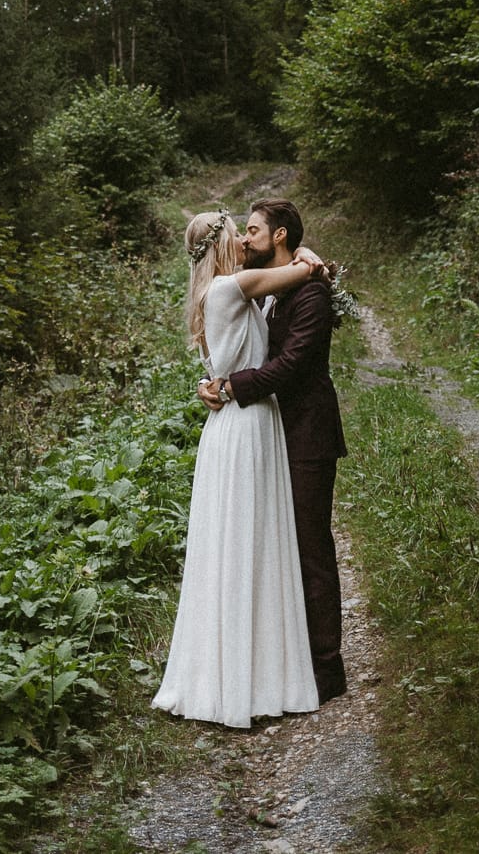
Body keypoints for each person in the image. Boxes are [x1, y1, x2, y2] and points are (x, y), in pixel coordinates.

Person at [151, 208, 324, 728]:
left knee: (242, 544)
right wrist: (308, 255)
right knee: (249, 542)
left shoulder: (221, 291)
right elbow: (304, 270)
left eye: (250, 233)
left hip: (237, 424)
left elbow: (229, 355)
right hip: (246, 424)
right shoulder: (233, 287)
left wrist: (214, 385)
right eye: (239, 234)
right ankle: (245, 678)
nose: (246, 242)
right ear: (223, 244)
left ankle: (247, 670)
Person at [199, 198, 347, 704]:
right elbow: (236, 347)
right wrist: (212, 382)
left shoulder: (311, 295)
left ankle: (326, 670)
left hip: (307, 435)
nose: (245, 239)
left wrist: (231, 388)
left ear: (279, 235)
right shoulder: (266, 291)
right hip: (266, 436)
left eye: (254, 230)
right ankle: (284, 662)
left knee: (310, 549)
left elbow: (291, 364)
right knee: (274, 547)